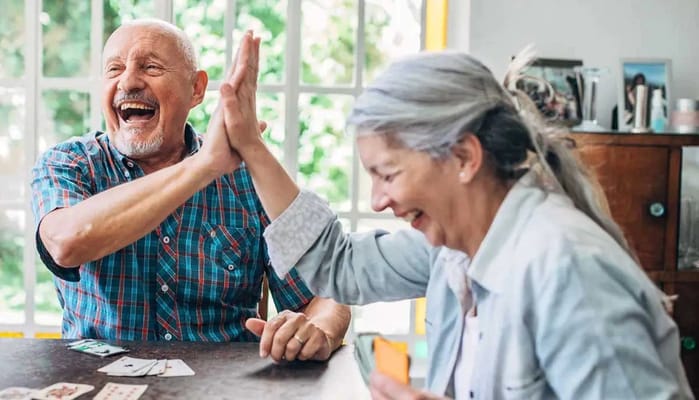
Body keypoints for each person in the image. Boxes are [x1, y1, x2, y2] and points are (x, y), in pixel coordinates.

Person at [217, 33, 694, 399]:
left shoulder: (568, 269)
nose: (379, 200)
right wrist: (251, 148)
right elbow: (337, 264)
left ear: (465, 157)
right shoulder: (452, 248)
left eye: (388, 174)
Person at [30, 19, 350, 363]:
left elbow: (325, 294)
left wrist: (318, 330)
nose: (129, 80)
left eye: (150, 67)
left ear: (196, 89)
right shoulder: (69, 163)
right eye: (114, 69)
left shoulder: (250, 179)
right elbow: (66, 243)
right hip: (98, 381)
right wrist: (204, 166)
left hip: (222, 385)